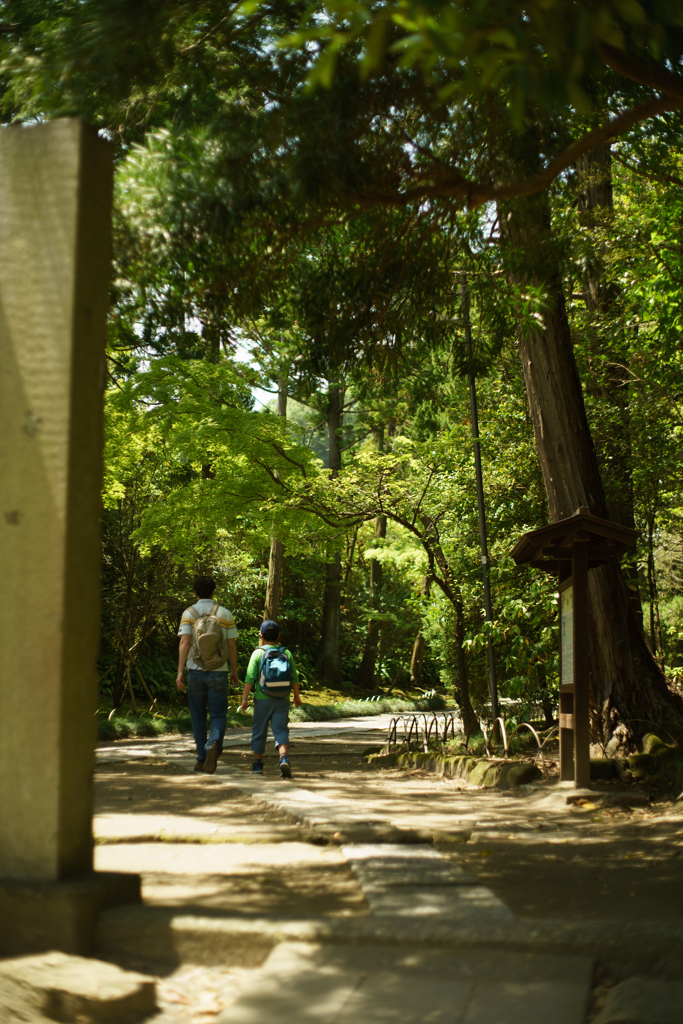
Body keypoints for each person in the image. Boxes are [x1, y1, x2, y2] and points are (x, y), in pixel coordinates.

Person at [177, 575, 239, 774]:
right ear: (214, 591)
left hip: (195, 671)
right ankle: (213, 743)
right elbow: (231, 645)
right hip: (219, 672)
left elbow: (185, 642)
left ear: (195, 592)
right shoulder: (225, 614)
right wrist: (234, 671)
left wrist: (180, 672)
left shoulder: (189, 613)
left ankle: (201, 758)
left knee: (197, 716)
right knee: (219, 714)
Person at [240, 620, 302, 778]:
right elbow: (294, 677)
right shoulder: (286, 653)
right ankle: (283, 758)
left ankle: (257, 764)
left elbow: (250, 678)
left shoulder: (258, 653)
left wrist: (244, 698)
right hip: (282, 698)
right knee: (281, 729)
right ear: (278, 636)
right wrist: (296, 695)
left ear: (261, 635)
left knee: (259, 730)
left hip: (262, 698)